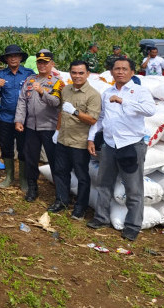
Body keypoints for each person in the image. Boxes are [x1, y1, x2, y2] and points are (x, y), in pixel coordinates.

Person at [87, 57, 155, 241]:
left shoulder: (139, 91)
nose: (120, 72)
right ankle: (101, 218)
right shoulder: (107, 92)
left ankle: (132, 226)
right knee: (104, 183)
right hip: (109, 145)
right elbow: (100, 119)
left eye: (125, 69)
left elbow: (150, 110)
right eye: (117, 68)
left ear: (132, 72)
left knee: (133, 188)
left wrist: (123, 101)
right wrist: (91, 138)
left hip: (131, 145)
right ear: (111, 72)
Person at [48, 61, 101, 219]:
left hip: (79, 142)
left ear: (87, 74)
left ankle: (80, 207)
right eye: (74, 72)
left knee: (81, 175)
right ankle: (62, 200)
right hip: (63, 139)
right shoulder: (66, 90)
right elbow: (61, 113)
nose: (77, 76)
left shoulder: (93, 95)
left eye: (80, 73)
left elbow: (92, 119)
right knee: (60, 172)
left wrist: (76, 112)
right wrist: (57, 131)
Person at [14, 50, 63, 201]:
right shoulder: (30, 80)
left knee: (54, 160)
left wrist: (42, 92)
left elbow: (56, 103)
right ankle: (32, 189)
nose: (42, 65)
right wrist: (19, 120)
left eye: (45, 62)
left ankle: (60, 194)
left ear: (52, 64)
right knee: (31, 159)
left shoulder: (57, 82)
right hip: (31, 127)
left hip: (49, 127)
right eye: (39, 62)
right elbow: (22, 101)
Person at [0, 44, 32, 190]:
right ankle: (9, 176)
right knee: (6, 148)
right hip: (6, 118)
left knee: (23, 149)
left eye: (16, 56)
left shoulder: (28, 74)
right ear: (6, 59)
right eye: (10, 56)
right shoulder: (1, 75)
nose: (13, 58)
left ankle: (24, 180)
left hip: (24, 119)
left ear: (20, 58)